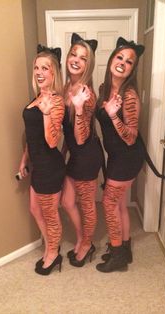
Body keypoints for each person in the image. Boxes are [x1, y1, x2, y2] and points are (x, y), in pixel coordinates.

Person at [95, 37, 146, 273]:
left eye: (129, 62)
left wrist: (114, 116)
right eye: (119, 57)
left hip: (127, 157)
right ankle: (125, 248)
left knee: (108, 203)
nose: (123, 63)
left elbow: (131, 137)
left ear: (132, 69)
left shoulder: (129, 96)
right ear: (111, 59)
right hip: (116, 156)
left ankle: (117, 256)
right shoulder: (104, 89)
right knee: (120, 205)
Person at [18, 44, 65, 275]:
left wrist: (46, 114)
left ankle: (54, 254)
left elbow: (52, 141)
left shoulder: (56, 102)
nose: (39, 72)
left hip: (50, 167)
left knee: (50, 213)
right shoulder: (37, 98)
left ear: (54, 73)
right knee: (35, 209)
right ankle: (50, 246)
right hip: (37, 165)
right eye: (36, 67)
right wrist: (23, 159)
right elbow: (32, 135)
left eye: (45, 68)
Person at [61, 33, 104, 267]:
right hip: (74, 155)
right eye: (73, 54)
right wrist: (62, 153)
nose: (76, 60)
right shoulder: (66, 86)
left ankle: (87, 244)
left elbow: (81, 136)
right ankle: (82, 238)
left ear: (89, 65)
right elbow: (68, 134)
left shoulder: (86, 94)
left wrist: (78, 108)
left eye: (83, 58)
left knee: (87, 204)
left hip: (87, 156)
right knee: (67, 202)